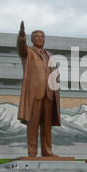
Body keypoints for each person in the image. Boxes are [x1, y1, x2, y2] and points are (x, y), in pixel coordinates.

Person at [17, 21, 61, 157]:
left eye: (42, 37)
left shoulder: (51, 56)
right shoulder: (28, 52)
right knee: (33, 124)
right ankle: (32, 152)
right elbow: (21, 47)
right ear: (31, 39)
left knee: (47, 126)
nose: (39, 39)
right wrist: (21, 35)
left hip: (49, 95)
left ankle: (47, 151)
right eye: (36, 37)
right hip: (35, 95)